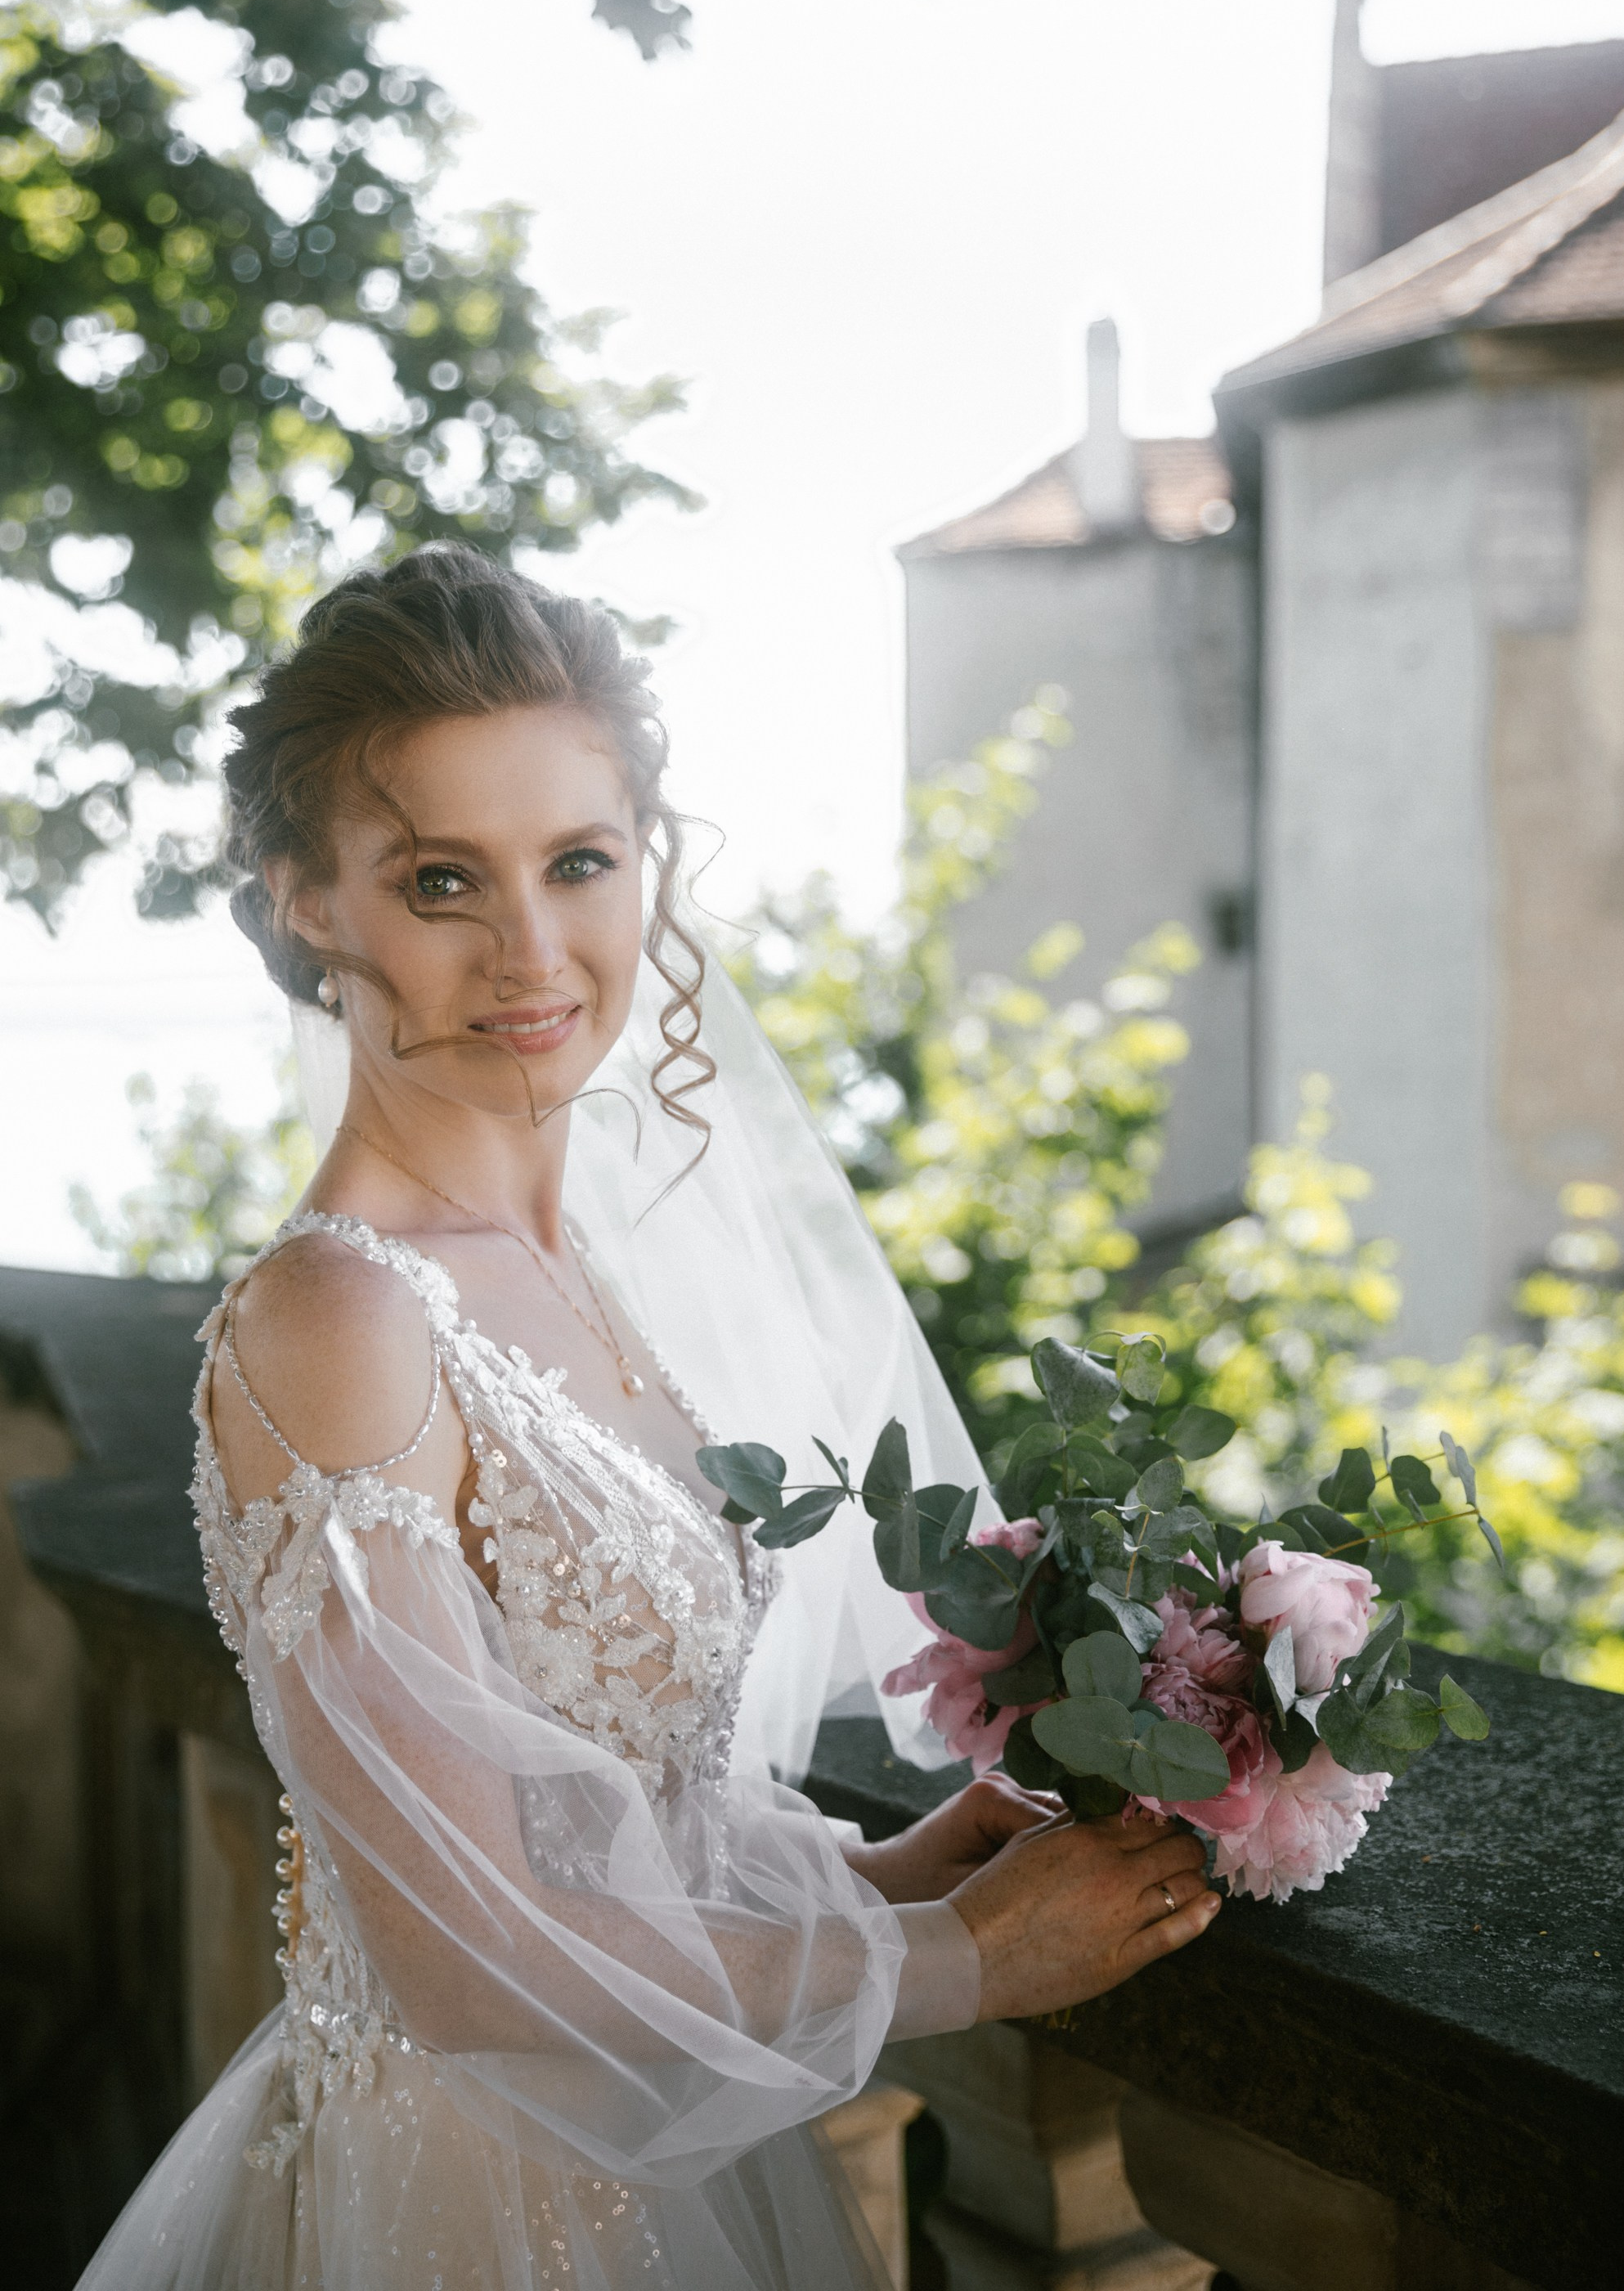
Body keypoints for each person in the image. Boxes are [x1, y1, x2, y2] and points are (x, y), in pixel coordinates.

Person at [78, 543, 1218, 2291]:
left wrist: (892, 1874)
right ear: (309, 896)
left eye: (580, 863)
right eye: (443, 879)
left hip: (667, 2167)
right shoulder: (341, 1315)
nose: (533, 953)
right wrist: (972, 1962)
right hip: (478, 2201)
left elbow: (613, 1796)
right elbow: (468, 1954)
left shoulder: (577, 1263)